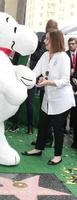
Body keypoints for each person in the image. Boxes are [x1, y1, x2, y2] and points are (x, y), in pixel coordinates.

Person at [22, 30, 75, 165]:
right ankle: (38, 148)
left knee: (58, 128)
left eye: (47, 39)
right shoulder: (45, 55)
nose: (44, 41)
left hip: (62, 100)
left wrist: (47, 82)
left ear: (55, 41)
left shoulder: (63, 57)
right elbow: (35, 72)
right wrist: (25, 78)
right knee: (43, 123)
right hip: (48, 98)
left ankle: (58, 155)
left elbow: (65, 81)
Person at [66, 37, 77, 148]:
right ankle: (65, 127)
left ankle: (73, 128)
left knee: (74, 109)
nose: (71, 46)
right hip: (67, 83)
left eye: (73, 44)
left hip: (76, 83)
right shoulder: (65, 55)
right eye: (69, 44)